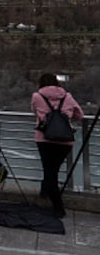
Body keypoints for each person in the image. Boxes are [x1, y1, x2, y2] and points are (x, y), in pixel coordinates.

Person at [31, 73, 84, 218]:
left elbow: (34, 111)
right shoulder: (67, 96)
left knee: (49, 171)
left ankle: (57, 207)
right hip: (64, 141)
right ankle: (45, 193)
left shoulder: (37, 96)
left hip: (44, 139)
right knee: (52, 170)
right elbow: (80, 114)